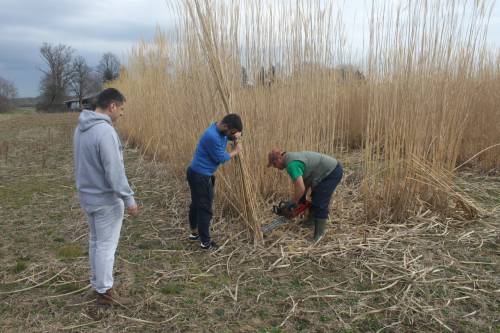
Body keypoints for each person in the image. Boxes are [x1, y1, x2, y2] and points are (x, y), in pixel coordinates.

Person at [74, 88, 139, 306]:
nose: (121, 113)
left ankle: (98, 284)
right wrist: (128, 198)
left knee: (95, 243)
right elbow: (114, 171)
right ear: (112, 106)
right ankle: (104, 292)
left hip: (87, 197)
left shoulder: (81, 128)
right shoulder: (105, 132)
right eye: (121, 109)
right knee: (105, 247)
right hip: (105, 200)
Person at [187, 114, 243, 250]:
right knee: (205, 208)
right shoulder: (212, 136)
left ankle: (194, 233)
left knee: (196, 204)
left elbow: (226, 136)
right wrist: (236, 151)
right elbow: (221, 158)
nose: (231, 135)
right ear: (225, 126)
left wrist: (235, 136)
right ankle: (205, 242)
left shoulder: (219, 130)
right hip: (201, 176)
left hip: (196, 172)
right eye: (231, 132)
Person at [267, 149, 343, 241]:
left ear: (278, 159)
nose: (276, 167)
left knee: (320, 202)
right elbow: (304, 182)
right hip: (324, 171)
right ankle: (311, 222)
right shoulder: (290, 158)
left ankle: (319, 235)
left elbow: (300, 188)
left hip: (332, 172)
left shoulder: (291, 165)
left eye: (274, 165)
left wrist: (294, 202)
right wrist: (301, 201)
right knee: (315, 197)